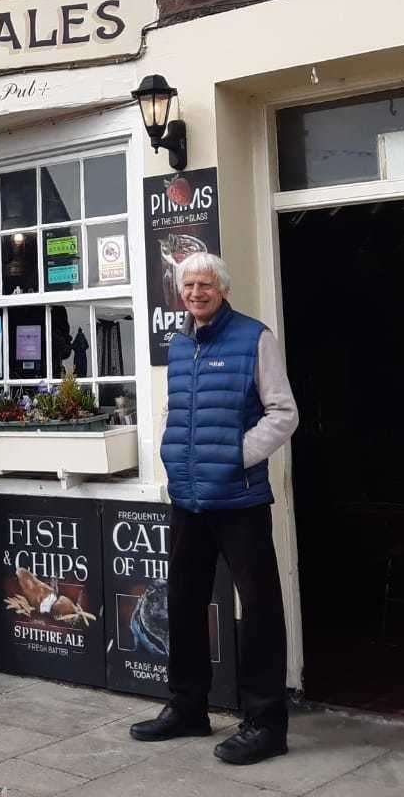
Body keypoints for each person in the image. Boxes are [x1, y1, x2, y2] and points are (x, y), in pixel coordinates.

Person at [130, 251, 299, 766]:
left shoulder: (254, 338)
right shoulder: (179, 346)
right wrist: (169, 461)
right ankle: (187, 707)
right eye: (189, 285)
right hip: (188, 498)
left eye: (206, 284)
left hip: (239, 498)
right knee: (182, 602)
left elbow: (284, 413)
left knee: (259, 608)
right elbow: (174, 411)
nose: (197, 293)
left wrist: (234, 457)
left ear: (222, 289)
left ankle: (266, 723)